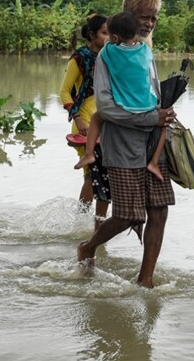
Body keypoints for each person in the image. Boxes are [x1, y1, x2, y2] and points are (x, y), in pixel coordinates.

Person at [76, 0, 176, 289]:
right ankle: (88, 247)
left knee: (159, 210)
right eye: (145, 17)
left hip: (152, 142)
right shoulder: (108, 54)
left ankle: (145, 280)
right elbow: (105, 107)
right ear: (130, 18)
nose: (149, 24)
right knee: (127, 215)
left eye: (154, 19)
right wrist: (150, 118)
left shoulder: (145, 50)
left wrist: (165, 113)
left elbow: (151, 93)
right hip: (121, 146)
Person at [74, 12, 165, 182]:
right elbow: (153, 82)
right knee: (165, 125)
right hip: (149, 105)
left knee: (96, 118)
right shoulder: (145, 51)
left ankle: (88, 154)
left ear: (114, 36)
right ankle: (154, 162)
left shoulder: (107, 53)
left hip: (124, 105)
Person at [59, 14, 110, 228]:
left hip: (106, 119)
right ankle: (83, 222)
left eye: (110, 33)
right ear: (91, 34)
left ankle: (92, 224)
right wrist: (78, 119)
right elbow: (64, 92)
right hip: (85, 120)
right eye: (104, 33)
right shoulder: (79, 58)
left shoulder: (110, 57)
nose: (108, 37)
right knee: (91, 174)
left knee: (100, 173)